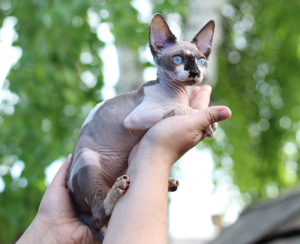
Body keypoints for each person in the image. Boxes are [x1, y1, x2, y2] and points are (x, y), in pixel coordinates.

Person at [17, 85, 231, 244]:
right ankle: (105, 207)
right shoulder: (154, 94)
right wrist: (160, 152)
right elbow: (134, 121)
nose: (193, 70)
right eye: (178, 59)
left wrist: (47, 227)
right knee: (87, 158)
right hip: (90, 190)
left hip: (110, 178)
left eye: (201, 61)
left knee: (127, 165)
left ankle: (140, 183)